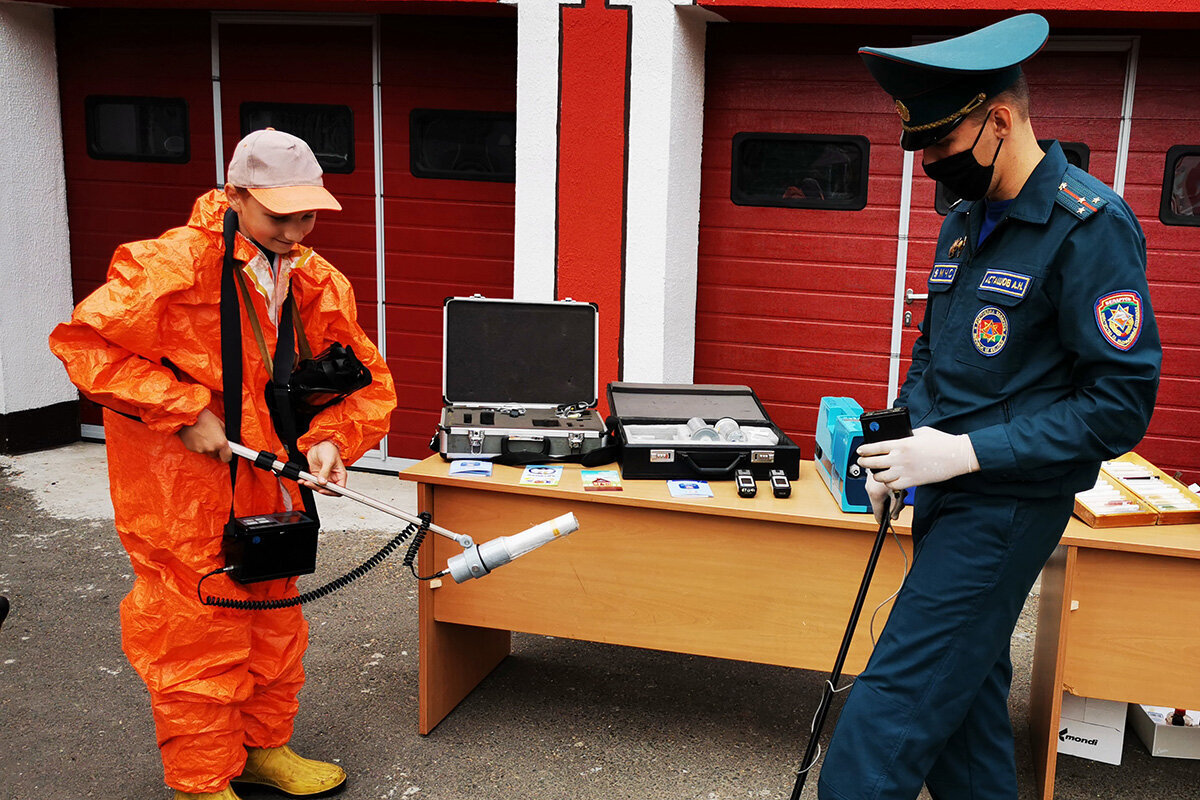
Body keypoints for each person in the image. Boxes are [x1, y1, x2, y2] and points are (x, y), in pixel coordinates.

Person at [818, 15, 1161, 800]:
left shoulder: (1090, 227)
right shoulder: (964, 221)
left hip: (1005, 507)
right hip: (944, 497)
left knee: (888, 717)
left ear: (999, 120)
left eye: (941, 144)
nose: (931, 165)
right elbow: (934, 354)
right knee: (963, 712)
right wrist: (896, 448)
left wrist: (966, 452)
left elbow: (1119, 404)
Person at [50, 129, 397, 800]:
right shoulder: (168, 267)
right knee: (196, 633)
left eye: (308, 214)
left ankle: (265, 748)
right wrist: (182, 408)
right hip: (182, 490)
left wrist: (331, 439)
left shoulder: (314, 278)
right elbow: (85, 345)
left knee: (274, 621)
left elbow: (364, 380)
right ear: (235, 195)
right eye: (280, 215)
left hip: (271, 480)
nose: (296, 229)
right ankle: (201, 781)